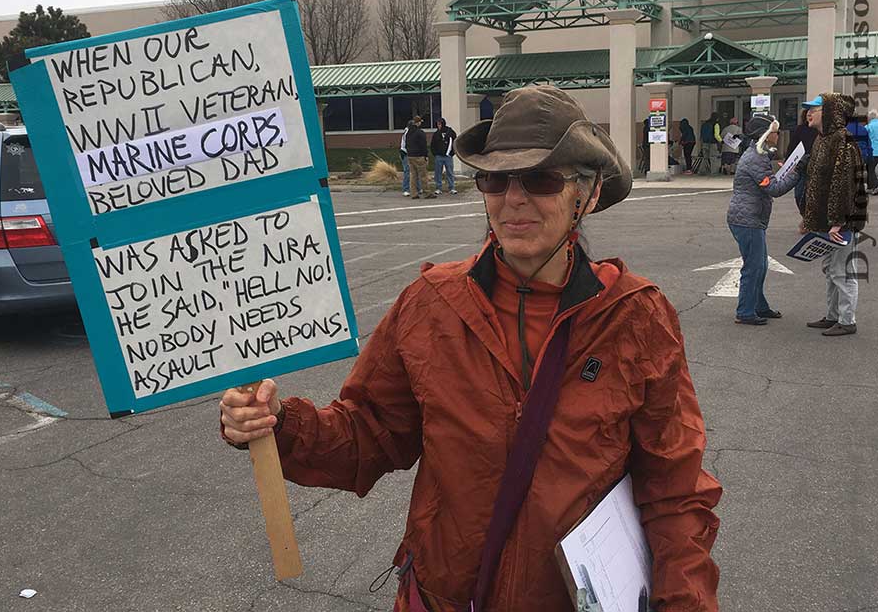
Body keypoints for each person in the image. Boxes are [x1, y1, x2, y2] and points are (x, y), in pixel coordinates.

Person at [220, 85, 722, 612]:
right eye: (496, 178)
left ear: (588, 194)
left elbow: (675, 490)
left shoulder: (636, 317)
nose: (514, 198)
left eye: (541, 179)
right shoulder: (431, 304)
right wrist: (278, 423)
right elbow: (369, 432)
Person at [801, 94, 868, 337]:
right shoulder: (823, 139)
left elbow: (844, 186)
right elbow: (817, 184)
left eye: (815, 109)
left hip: (841, 222)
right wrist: (808, 218)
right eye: (808, 110)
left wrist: (838, 221)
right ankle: (832, 316)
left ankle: (847, 320)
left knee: (843, 271)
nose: (808, 113)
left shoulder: (843, 142)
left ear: (830, 112)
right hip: (826, 222)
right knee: (830, 270)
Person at [726, 114, 799, 325]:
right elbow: (774, 189)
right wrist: (796, 174)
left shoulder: (757, 155)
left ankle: (759, 306)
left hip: (749, 217)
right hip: (747, 219)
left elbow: (769, 179)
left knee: (760, 265)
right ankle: (745, 312)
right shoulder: (755, 159)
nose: (778, 135)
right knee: (754, 266)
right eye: (775, 131)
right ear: (765, 135)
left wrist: (785, 168)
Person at [790, 109, 819, 213]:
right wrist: (788, 162)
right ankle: (805, 216)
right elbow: (792, 146)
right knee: (799, 194)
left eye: (812, 114)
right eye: (808, 114)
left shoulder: (820, 131)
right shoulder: (800, 129)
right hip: (801, 166)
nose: (809, 116)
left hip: (816, 166)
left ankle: (810, 219)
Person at [404, 116, 434, 199]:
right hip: (419, 156)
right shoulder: (420, 132)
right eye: (420, 122)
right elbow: (423, 145)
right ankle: (427, 192)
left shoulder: (408, 133)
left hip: (410, 156)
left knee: (413, 176)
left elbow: (406, 144)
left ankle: (414, 193)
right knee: (423, 175)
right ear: (418, 122)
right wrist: (426, 155)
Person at [848, 114, 874, 196]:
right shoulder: (863, 129)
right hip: (862, 156)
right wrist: (870, 157)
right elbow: (868, 144)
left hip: (850, 156)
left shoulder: (845, 129)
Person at [430, 117, 458, 195]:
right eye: (437, 124)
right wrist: (435, 153)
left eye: (439, 124)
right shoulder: (436, 134)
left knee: (450, 172)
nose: (438, 126)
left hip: (448, 156)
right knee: (438, 173)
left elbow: (455, 143)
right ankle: (438, 188)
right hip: (438, 156)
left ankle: (451, 187)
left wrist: (452, 153)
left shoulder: (451, 133)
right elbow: (433, 145)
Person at [400, 120, 420, 197]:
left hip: (411, 153)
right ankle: (406, 189)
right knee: (407, 171)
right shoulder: (408, 132)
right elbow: (407, 144)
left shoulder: (411, 132)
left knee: (415, 171)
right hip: (406, 153)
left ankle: (417, 188)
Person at [867, 109, 878, 194]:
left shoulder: (869, 126)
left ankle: (874, 187)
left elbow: (863, 134)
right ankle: (872, 187)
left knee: (871, 169)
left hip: (873, 151)